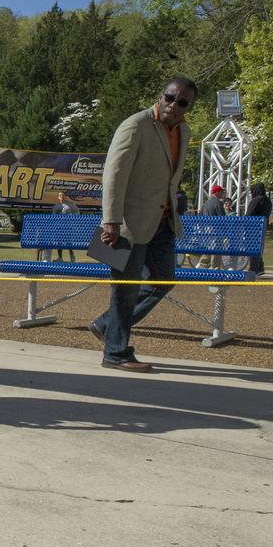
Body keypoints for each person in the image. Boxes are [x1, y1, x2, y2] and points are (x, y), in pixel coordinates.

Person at [89, 77, 195, 372]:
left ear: (189, 106)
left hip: (163, 222)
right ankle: (115, 353)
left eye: (182, 102)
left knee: (163, 281)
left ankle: (106, 325)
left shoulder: (184, 131)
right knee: (125, 290)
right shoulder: (136, 125)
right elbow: (114, 175)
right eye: (169, 97)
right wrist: (110, 221)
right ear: (161, 95)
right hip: (127, 224)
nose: (173, 105)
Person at [196, 184, 228, 269]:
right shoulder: (218, 203)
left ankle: (202, 264)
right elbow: (222, 218)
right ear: (217, 193)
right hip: (215, 229)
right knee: (216, 248)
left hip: (206, 229)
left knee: (209, 247)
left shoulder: (206, 203)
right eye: (221, 192)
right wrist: (225, 231)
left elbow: (200, 216)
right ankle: (214, 267)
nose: (222, 194)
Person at [245, 183, 272, 274]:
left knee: (251, 247)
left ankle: (254, 268)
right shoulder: (268, 201)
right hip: (262, 227)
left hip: (252, 227)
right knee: (258, 247)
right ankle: (259, 267)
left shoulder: (256, 200)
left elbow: (249, 214)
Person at [53, 190, 80, 261]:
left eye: (63, 195)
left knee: (69, 242)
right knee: (59, 242)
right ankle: (60, 257)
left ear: (65, 197)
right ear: (58, 197)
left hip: (68, 226)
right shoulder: (56, 206)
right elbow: (53, 216)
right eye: (60, 195)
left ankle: (72, 256)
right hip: (59, 227)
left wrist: (71, 216)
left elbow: (77, 212)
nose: (61, 197)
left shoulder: (71, 204)